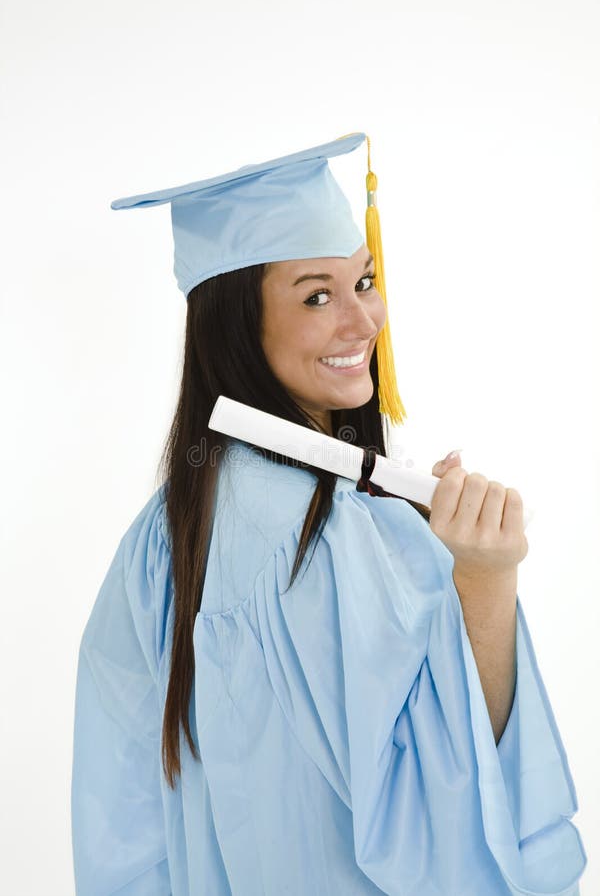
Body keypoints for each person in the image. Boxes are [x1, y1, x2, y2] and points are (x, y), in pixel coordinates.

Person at [71, 132, 586, 895]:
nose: (365, 321)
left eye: (364, 282)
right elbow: (441, 829)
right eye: (317, 295)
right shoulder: (338, 538)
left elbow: (122, 833)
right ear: (237, 324)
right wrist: (481, 581)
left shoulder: (158, 542)